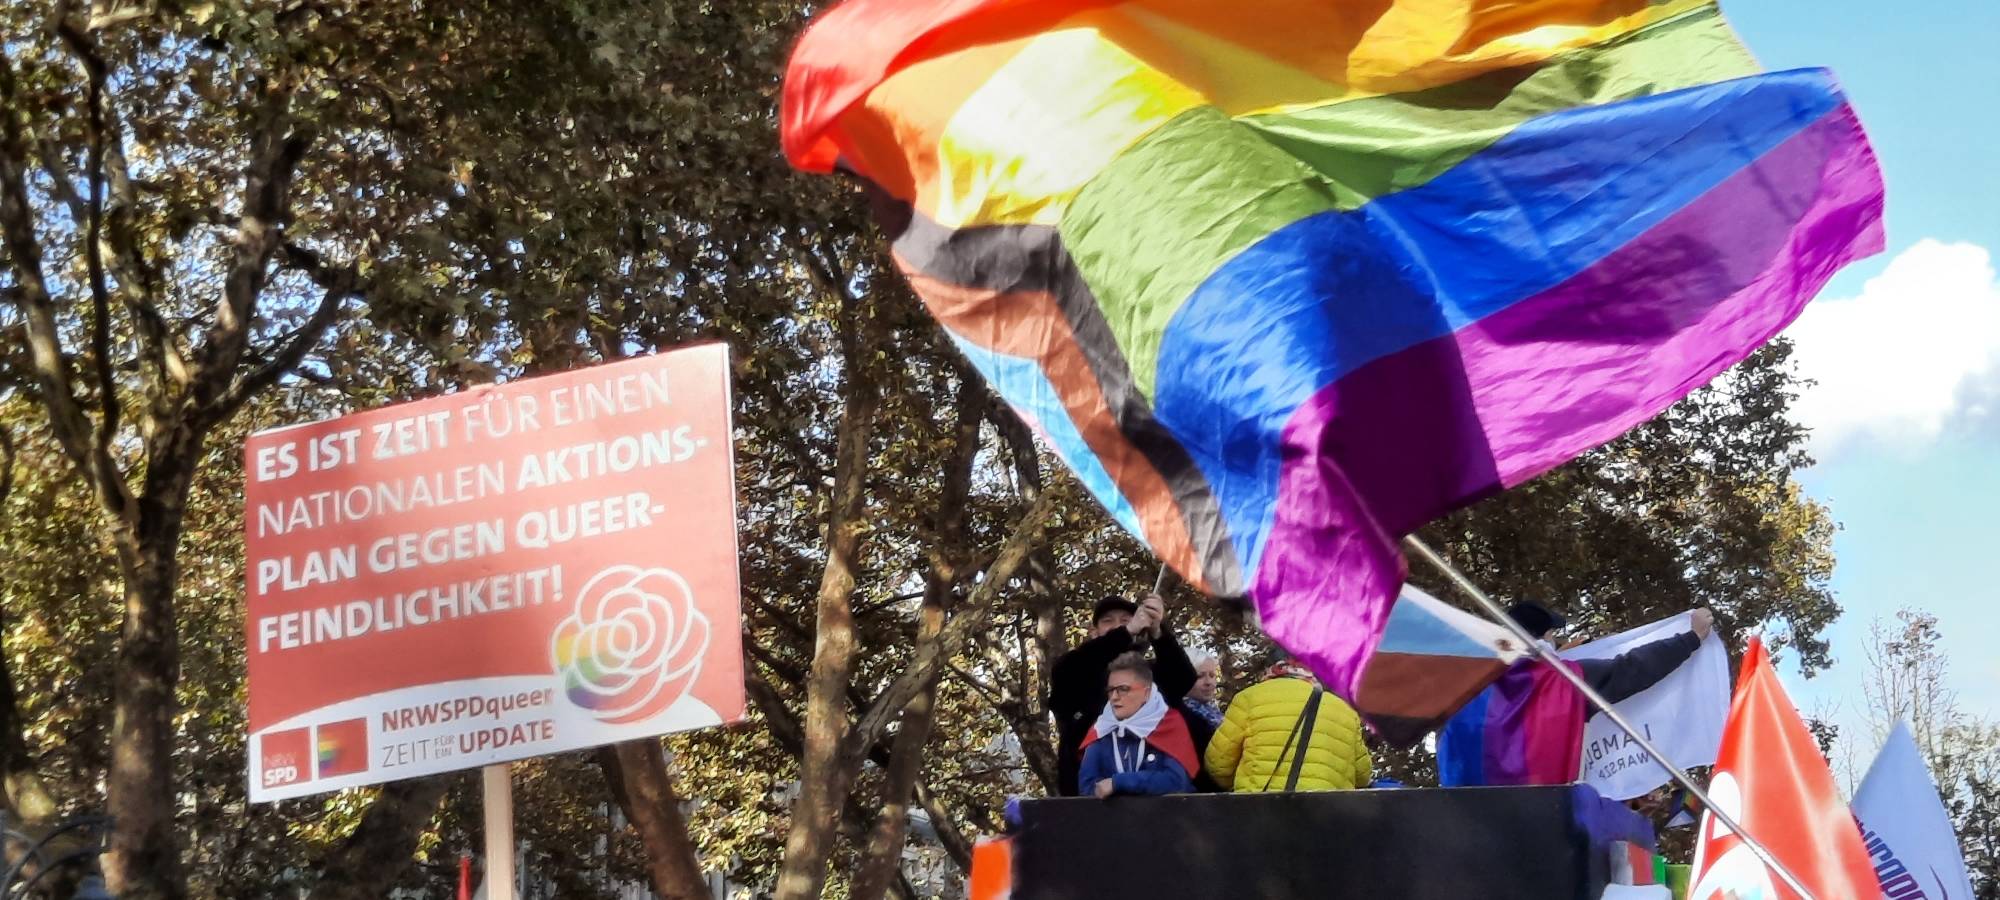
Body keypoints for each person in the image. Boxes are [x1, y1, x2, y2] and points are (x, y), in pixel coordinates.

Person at [1436, 602, 1716, 787]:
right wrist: (1689, 639)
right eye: (1553, 636)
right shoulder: (1566, 680)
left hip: (1466, 823)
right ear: (1544, 637)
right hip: (1545, 820)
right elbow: (1631, 669)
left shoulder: (1466, 689)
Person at [1048, 593, 1203, 796]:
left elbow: (1183, 679)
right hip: (1092, 800)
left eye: (1125, 620)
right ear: (1094, 632)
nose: (1117, 626)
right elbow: (1065, 675)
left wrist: (1158, 632)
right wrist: (1125, 632)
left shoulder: (1149, 675)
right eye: (1108, 621)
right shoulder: (1079, 671)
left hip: (1157, 798)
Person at [1205, 654, 1371, 793]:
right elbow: (1362, 777)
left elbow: (1218, 764)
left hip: (1262, 811)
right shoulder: (1344, 710)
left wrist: (1241, 783)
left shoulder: (1249, 699)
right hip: (1326, 814)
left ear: (1271, 667)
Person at [1078, 653, 1199, 798]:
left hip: (1165, 812)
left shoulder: (1169, 723)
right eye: (1111, 690)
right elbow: (1087, 787)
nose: (1114, 697)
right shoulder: (1102, 729)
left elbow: (1177, 782)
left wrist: (1119, 783)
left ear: (1146, 693)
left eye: (1123, 689)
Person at [1183, 655, 1225, 729]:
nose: (1208, 682)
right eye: (1199, 676)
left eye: (1212, 675)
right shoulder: (1185, 717)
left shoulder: (1211, 710)